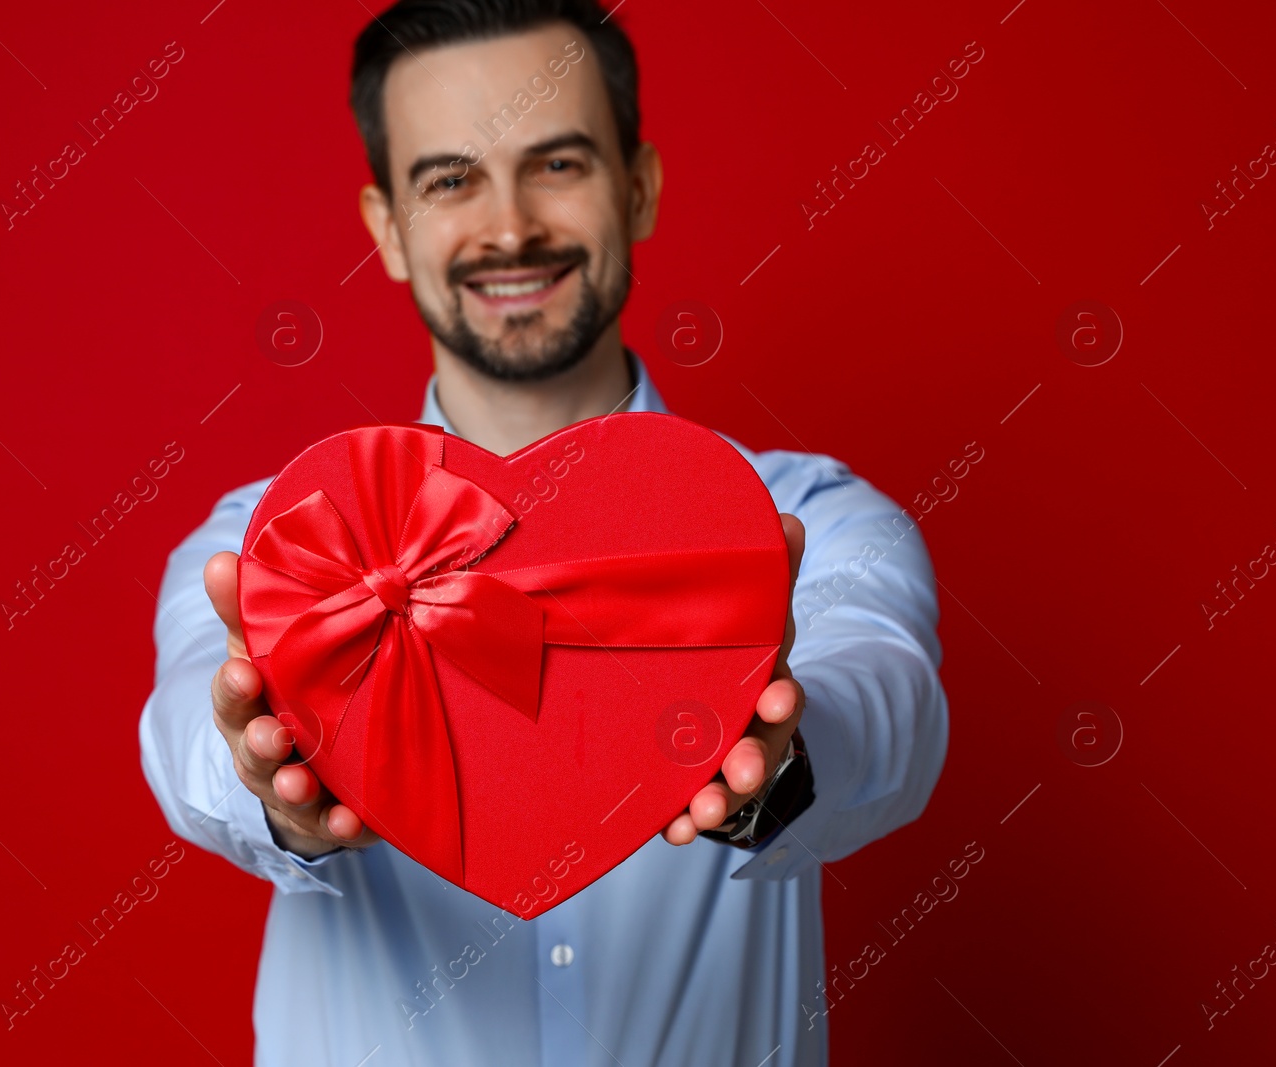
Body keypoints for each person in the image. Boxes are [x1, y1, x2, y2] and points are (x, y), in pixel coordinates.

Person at [138, 2, 949, 1063]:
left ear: (639, 186)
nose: (509, 226)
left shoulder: (810, 518)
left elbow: (895, 710)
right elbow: (183, 744)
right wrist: (276, 784)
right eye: (449, 179)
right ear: (386, 226)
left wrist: (779, 757)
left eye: (557, 163)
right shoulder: (275, 540)